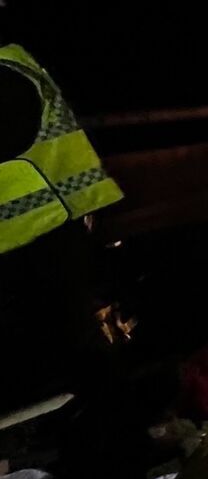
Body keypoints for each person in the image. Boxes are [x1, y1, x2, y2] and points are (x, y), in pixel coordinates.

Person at [0, 39, 123, 411]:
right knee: (72, 348)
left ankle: (109, 438)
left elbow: (11, 134)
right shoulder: (12, 59)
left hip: (35, 235)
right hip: (41, 228)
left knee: (75, 351)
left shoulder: (6, 70)